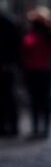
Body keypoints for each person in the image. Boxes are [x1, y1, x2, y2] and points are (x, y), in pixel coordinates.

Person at [21, 8, 51, 139]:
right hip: (35, 71)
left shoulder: (46, 36)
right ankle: (38, 128)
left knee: (42, 101)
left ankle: (42, 129)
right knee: (37, 101)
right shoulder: (35, 35)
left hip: (41, 71)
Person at [0, 8, 21, 136]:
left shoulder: (8, 24)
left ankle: (11, 126)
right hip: (7, 66)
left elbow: (15, 46)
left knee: (9, 98)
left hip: (7, 67)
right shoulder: (8, 23)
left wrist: (8, 63)